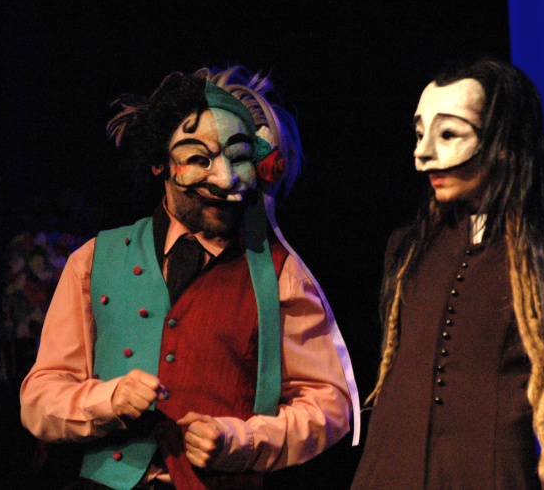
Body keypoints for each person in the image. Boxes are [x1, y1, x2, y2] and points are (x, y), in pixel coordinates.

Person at [20, 66, 360, 490]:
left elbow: (329, 404)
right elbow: (39, 398)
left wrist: (244, 441)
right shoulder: (94, 261)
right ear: (160, 163)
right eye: (199, 159)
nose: (224, 178)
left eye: (238, 157)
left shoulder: (281, 274)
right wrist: (108, 399)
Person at [352, 58, 544, 489]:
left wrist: (530, 472)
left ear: (503, 142)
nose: (422, 154)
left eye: (449, 134)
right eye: (420, 134)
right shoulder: (407, 249)